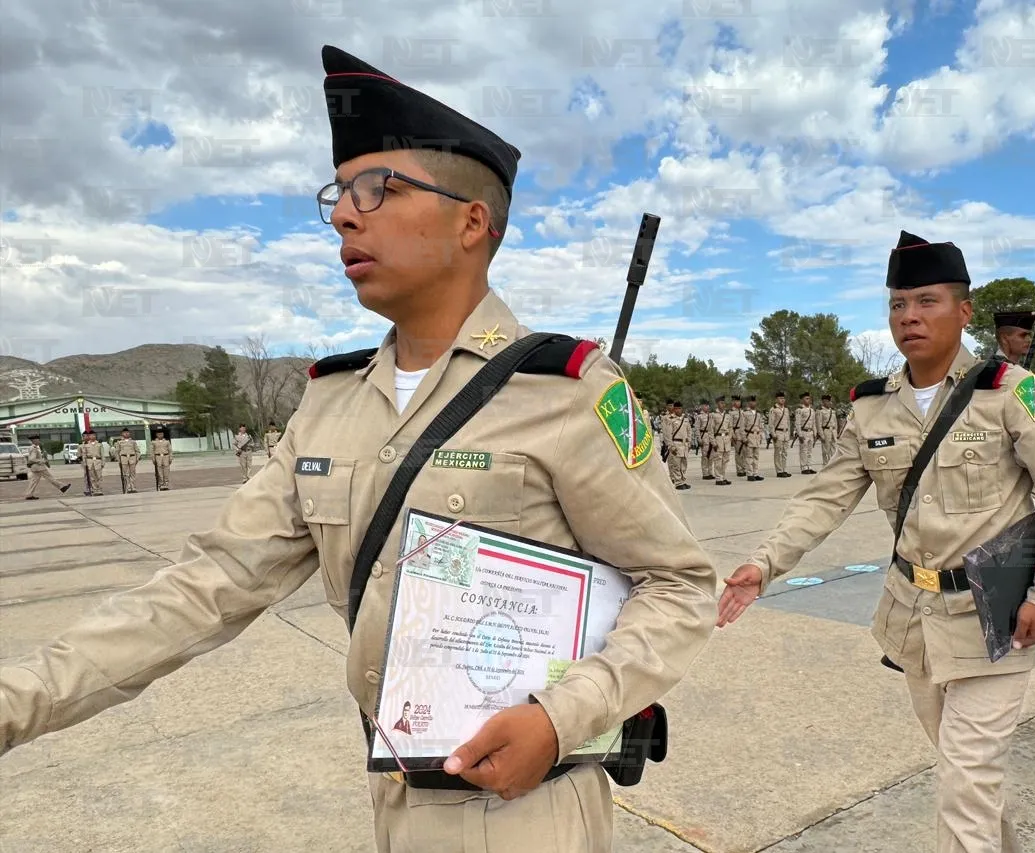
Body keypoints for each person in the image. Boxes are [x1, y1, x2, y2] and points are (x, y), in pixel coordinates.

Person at [0, 44, 718, 853]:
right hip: (393, 798)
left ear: (471, 221)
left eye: (379, 189)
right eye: (339, 194)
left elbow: (681, 584)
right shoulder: (330, 402)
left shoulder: (564, 390)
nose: (346, 214)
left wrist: (563, 717)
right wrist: (17, 698)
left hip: (529, 815)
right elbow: (208, 585)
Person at [718, 230, 1035, 853]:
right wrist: (763, 565)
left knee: (962, 783)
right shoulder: (871, 409)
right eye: (897, 304)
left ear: (963, 310)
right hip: (914, 622)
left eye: (926, 301)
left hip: (996, 616)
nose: (909, 317)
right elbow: (825, 499)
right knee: (968, 780)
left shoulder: (1011, 393)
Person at [22, 435, 71, 500]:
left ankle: (29, 494)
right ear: (34, 440)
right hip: (39, 467)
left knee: (33, 481)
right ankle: (62, 487)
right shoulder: (34, 448)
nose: (39, 441)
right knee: (50, 478)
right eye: (38, 440)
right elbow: (32, 459)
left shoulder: (34, 447)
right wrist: (42, 461)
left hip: (36, 467)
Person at [709, 396, 734, 485]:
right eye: (721, 403)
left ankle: (723, 476)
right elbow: (710, 430)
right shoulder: (713, 415)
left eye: (724, 403)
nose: (723, 405)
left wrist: (730, 437)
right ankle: (718, 478)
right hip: (718, 438)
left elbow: (730, 427)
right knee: (718, 460)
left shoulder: (728, 415)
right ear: (717, 404)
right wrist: (713, 442)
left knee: (725, 460)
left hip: (726, 439)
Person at [739, 395, 764, 481]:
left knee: (756, 456)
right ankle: (749, 474)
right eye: (751, 401)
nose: (753, 403)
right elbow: (741, 427)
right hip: (749, 436)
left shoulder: (758, 414)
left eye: (754, 401)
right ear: (749, 403)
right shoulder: (744, 414)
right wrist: (744, 438)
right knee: (749, 457)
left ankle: (755, 473)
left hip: (756, 436)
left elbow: (760, 426)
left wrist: (761, 436)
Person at [767, 391, 791, 477]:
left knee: (784, 453)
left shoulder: (786, 409)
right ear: (776, 399)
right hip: (778, 433)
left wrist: (789, 433)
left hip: (785, 433)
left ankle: (784, 469)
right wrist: (773, 434)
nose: (782, 400)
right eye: (781, 398)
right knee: (778, 452)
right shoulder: (773, 409)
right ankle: (779, 471)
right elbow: (771, 424)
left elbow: (788, 422)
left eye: (783, 398)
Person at [793, 392, 817, 474]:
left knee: (810, 451)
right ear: (802, 400)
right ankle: (804, 467)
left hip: (810, 432)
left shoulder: (812, 410)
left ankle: (809, 466)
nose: (808, 400)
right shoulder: (799, 410)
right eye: (806, 398)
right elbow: (798, 423)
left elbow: (814, 422)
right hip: (804, 432)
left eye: (809, 398)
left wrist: (815, 433)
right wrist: (799, 434)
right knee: (803, 451)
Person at [114, 427, 139, 494]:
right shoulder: (119, 442)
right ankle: (128, 487)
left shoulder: (133, 442)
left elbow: (137, 451)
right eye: (125, 433)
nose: (126, 434)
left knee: (132, 473)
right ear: (122, 434)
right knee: (126, 474)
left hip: (132, 458)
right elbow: (117, 452)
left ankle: (133, 487)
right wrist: (119, 460)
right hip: (124, 458)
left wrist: (137, 459)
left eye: (127, 432)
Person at [80, 429, 104, 496]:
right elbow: (84, 455)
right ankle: (94, 489)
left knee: (99, 476)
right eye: (91, 435)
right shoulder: (86, 445)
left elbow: (102, 454)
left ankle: (99, 489)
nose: (92, 436)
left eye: (94, 435)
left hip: (98, 461)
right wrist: (85, 463)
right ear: (89, 436)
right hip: (90, 462)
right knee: (92, 477)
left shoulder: (99, 444)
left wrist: (103, 462)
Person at [816, 394, 839, 465]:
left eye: (830, 401)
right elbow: (818, 425)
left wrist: (836, 433)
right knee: (826, 450)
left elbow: (835, 423)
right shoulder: (820, 412)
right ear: (824, 402)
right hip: (826, 431)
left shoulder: (833, 411)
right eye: (828, 401)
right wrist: (821, 435)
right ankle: (826, 464)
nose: (830, 403)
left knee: (834, 449)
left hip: (833, 432)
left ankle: (833, 464)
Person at [695, 400, 714, 480]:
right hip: (704, 436)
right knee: (705, 456)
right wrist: (699, 439)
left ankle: (710, 472)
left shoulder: (711, 415)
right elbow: (697, 428)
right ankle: (705, 473)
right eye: (706, 405)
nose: (707, 407)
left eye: (708, 405)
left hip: (711, 437)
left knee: (711, 456)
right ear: (702, 406)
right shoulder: (699, 416)